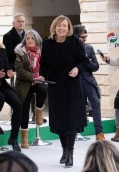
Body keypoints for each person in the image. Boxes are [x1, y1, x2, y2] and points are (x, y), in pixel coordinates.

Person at [39, 15, 90, 167]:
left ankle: (71, 152)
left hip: (72, 85)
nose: (62, 28)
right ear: (54, 27)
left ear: (68, 29)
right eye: (59, 25)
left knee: (72, 120)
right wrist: (42, 75)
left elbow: (84, 61)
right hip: (56, 85)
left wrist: (77, 69)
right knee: (61, 121)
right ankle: (64, 150)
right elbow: (44, 64)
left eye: (65, 26)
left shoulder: (74, 41)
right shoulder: (47, 43)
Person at [14, 29, 47, 149]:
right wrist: (35, 77)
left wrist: (42, 77)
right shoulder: (20, 52)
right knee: (24, 109)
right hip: (24, 83)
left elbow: (46, 67)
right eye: (27, 38)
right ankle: (24, 138)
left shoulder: (42, 52)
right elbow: (20, 71)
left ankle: (38, 111)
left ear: (36, 39)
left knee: (43, 90)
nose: (30, 40)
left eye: (32, 38)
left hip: (38, 82)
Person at [73, 24, 105, 141]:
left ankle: (99, 132)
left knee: (95, 104)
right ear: (76, 36)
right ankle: (77, 132)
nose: (85, 39)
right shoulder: (70, 48)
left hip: (89, 81)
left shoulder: (89, 48)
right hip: (76, 82)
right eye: (83, 37)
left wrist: (87, 62)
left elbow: (96, 67)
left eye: (85, 37)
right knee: (78, 107)